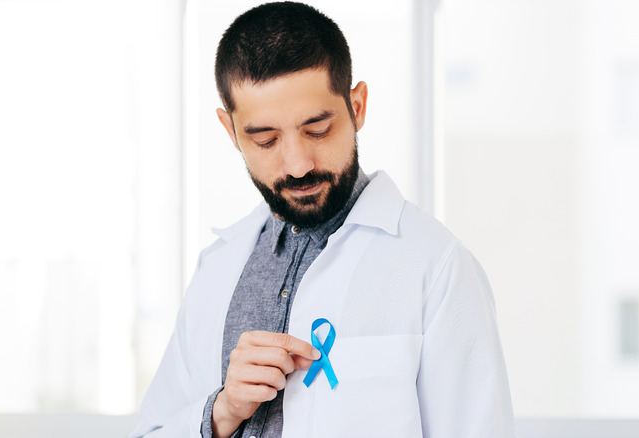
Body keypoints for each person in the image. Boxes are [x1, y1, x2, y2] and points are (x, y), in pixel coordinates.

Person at [130, 2, 515, 437]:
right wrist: (221, 413)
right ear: (231, 132)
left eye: (317, 130)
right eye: (265, 139)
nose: (296, 164)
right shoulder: (216, 270)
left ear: (358, 106)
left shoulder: (437, 267)